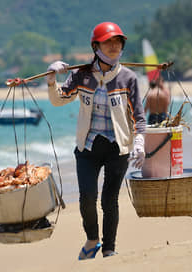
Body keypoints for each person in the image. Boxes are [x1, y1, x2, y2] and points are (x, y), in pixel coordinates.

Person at [46, 22, 146, 260]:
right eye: (108, 42)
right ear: (96, 46)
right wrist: (51, 81)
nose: (114, 46)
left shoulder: (128, 78)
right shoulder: (81, 75)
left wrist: (139, 142)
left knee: (109, 200)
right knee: (87, 198)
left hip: (117, 148)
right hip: (87, 147)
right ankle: (92, 240)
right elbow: (60, 99)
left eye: (118, 42)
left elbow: (139, 117)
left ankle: (109, 248)